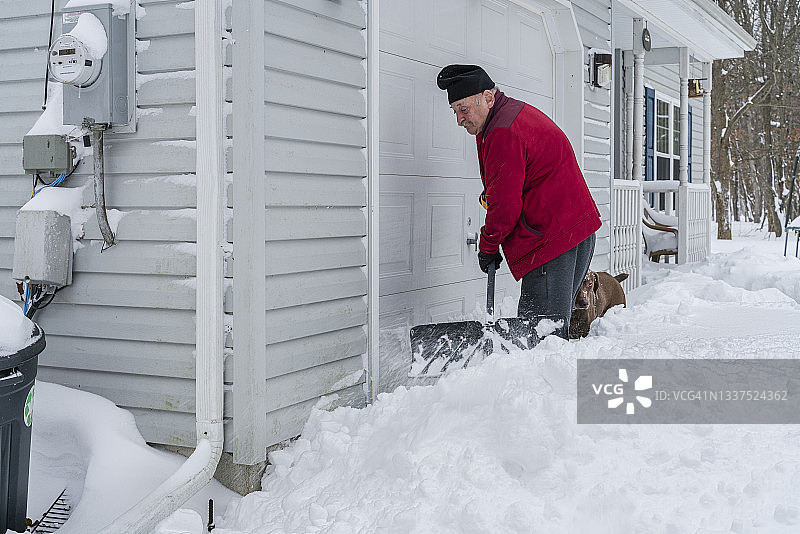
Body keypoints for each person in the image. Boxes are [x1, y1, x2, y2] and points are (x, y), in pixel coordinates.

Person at [436, 64, 601, 337]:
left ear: (488, 97)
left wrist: (488, 246)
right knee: (551, 331)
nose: (459, 119)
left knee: (538, 335)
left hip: (552, 243)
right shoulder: (511, 114)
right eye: (455, 111)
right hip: (574, 234)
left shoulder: (503, 130)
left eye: (463, 109)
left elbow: (506, 207)